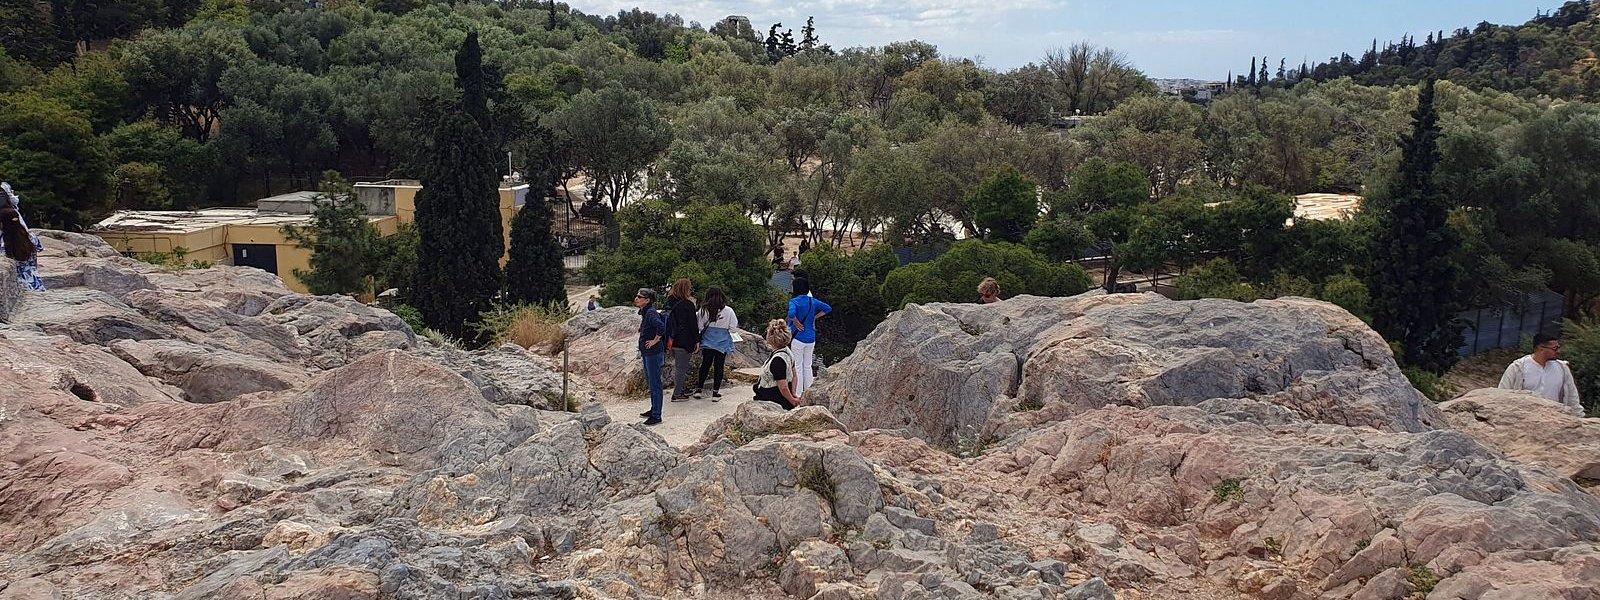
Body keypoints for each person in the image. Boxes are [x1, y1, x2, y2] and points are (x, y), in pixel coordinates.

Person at [1498, 332, 1581, 412]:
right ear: (1541, 348)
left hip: (1554, 418)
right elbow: (1502, 393)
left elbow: (1572, 397)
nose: (1558, 351)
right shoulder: (1517, 368)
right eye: (1555, 349)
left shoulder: (1562, 368)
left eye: (1559, 347)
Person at [787, 277, 831, 397]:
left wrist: (795, 321)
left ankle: (798, 393)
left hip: (798, 338)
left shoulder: (794, 302)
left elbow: (791, 313)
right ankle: (809, 391)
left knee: (798, 366)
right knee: (807, 365)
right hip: (811, 338)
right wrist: (814, 318)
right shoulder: (813, 301)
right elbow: (828, 308)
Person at [692, 286, 737, 401]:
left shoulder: (703, 310)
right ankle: (715, 393)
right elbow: (733, 328)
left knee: (705, 364)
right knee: (719, 365)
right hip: (722, 341)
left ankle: (699, 389)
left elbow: (699, 326)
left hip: (708, 340)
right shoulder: (728, 310)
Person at [634, 288, 666, 425]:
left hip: (653, 353)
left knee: (655, 384)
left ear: (647, 300)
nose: (636, 298)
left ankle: (657, 415)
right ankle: (653, 409)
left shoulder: (651, 312)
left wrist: (655, 340)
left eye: (640, 297)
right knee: (651, 382)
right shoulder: (646, 312)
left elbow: (661, 327)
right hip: (648, 353)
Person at [666, 278, 701, 402]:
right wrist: (697, 341)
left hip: (671, 339)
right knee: (681, 368)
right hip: (685, 340)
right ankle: (677, 394)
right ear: (686, 290)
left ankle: (680, 388)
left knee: (679, 366)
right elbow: (693, 325)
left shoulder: (669, 303)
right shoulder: (687, 305)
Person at [753, 319, 800, 410]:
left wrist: (792, 401)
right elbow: (794, 376)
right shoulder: (788, 352)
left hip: (774, 398)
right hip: (782, 394)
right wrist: (793, 393)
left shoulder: (778, 361)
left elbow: (783, 387)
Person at [0, 207, 43, 292]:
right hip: (34, 281)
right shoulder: (31, 237)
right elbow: (34, 259)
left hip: (15, 284)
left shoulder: (2, 242)